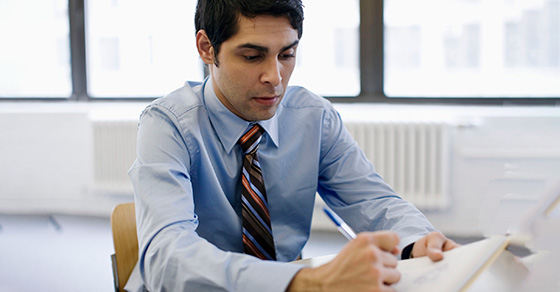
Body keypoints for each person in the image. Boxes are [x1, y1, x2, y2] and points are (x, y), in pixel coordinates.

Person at [126, 0, 459, 291]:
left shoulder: (313, 117)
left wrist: (417, 241)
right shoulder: (167, 124)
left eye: (287, 54)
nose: (275, 76)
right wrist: (303, 283)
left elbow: (373, 201)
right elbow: (166, 256)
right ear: (206, 48)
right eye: (252, 56)